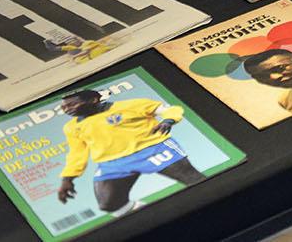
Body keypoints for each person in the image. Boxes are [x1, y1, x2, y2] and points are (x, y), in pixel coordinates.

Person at [55, 87, 204, 217]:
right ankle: (157, 219)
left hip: (152, 149)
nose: (68, 109)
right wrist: (67, 179)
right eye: (64, 108)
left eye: (72, 104)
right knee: (108, 204)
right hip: (113, 163)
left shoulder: (131, 105)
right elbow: (77, 153)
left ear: (94, 99)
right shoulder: (71, 127)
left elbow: (171, 110)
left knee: (195, 181)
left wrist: (168, 120)